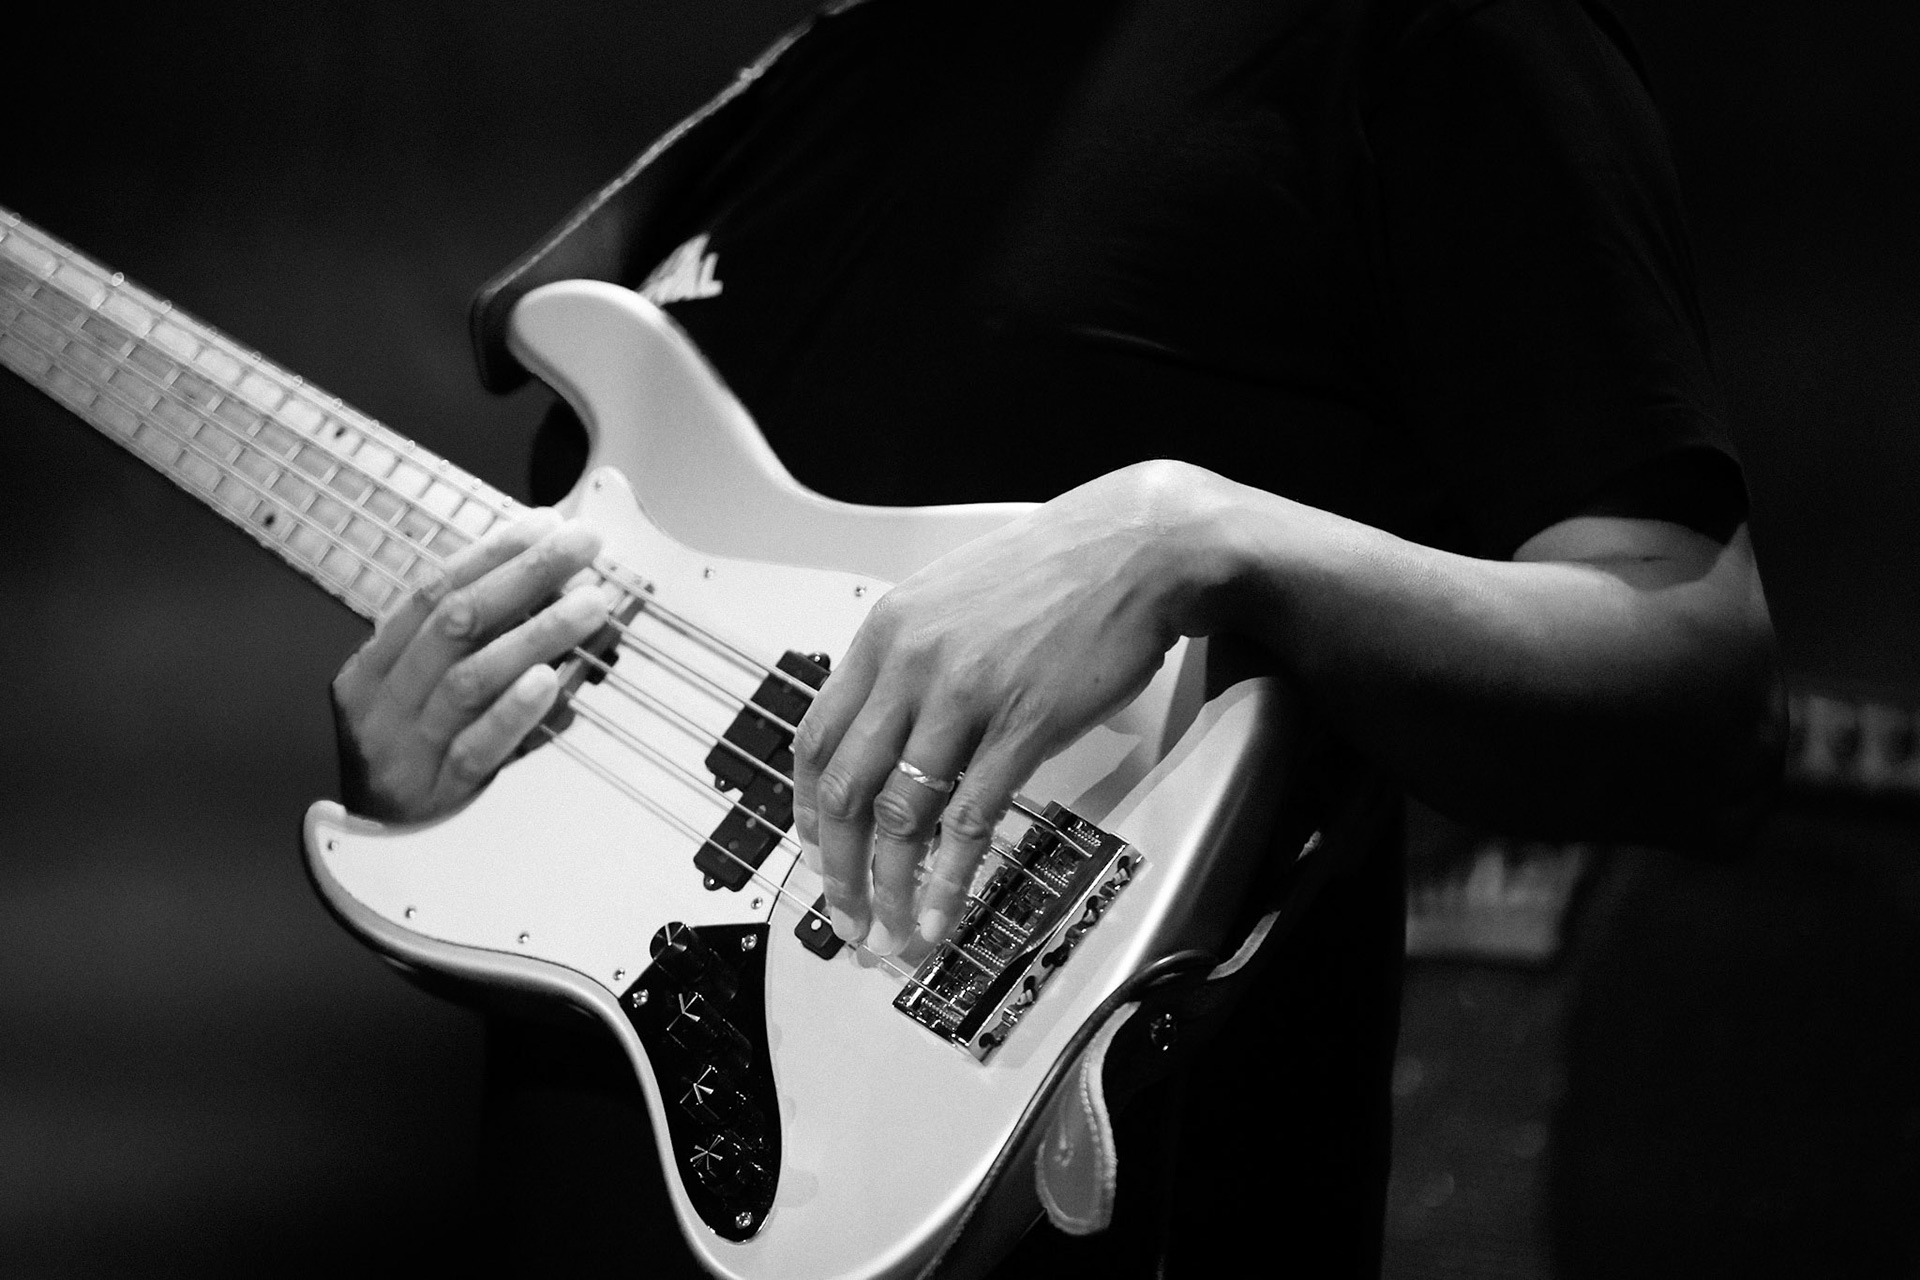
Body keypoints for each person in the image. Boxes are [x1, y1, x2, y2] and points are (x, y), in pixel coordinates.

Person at [329, 0, 1783, 1273]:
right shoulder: (783, 107)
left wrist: (1198, 540)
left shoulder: (1407, 28)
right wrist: (460, 777)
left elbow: (1692, 673)